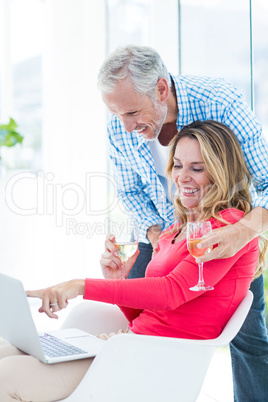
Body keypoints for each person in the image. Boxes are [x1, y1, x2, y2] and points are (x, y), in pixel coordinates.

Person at [0, 121, 266, 401]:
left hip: (153, 364)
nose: (182, 177)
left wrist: (80, 286)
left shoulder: (230, 228)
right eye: (177, 165)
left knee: (6, 377)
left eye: (197, 168)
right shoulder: (174, 230)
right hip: (127, 346)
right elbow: (149, 315)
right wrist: (118, 282)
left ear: (221, 173)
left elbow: (171, 292)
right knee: (4, 352)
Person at [97, 45, 268, 401]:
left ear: (161, 90)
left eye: (131, 112)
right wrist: (158, 236)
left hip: (225, 234)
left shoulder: (219, 101)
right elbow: (129, 190)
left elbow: (265, 182)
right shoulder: (120, 126)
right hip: (163, 234)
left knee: (248, 338)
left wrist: (241, 232)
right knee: (137, 319)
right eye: (117, 114)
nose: (125, 127)